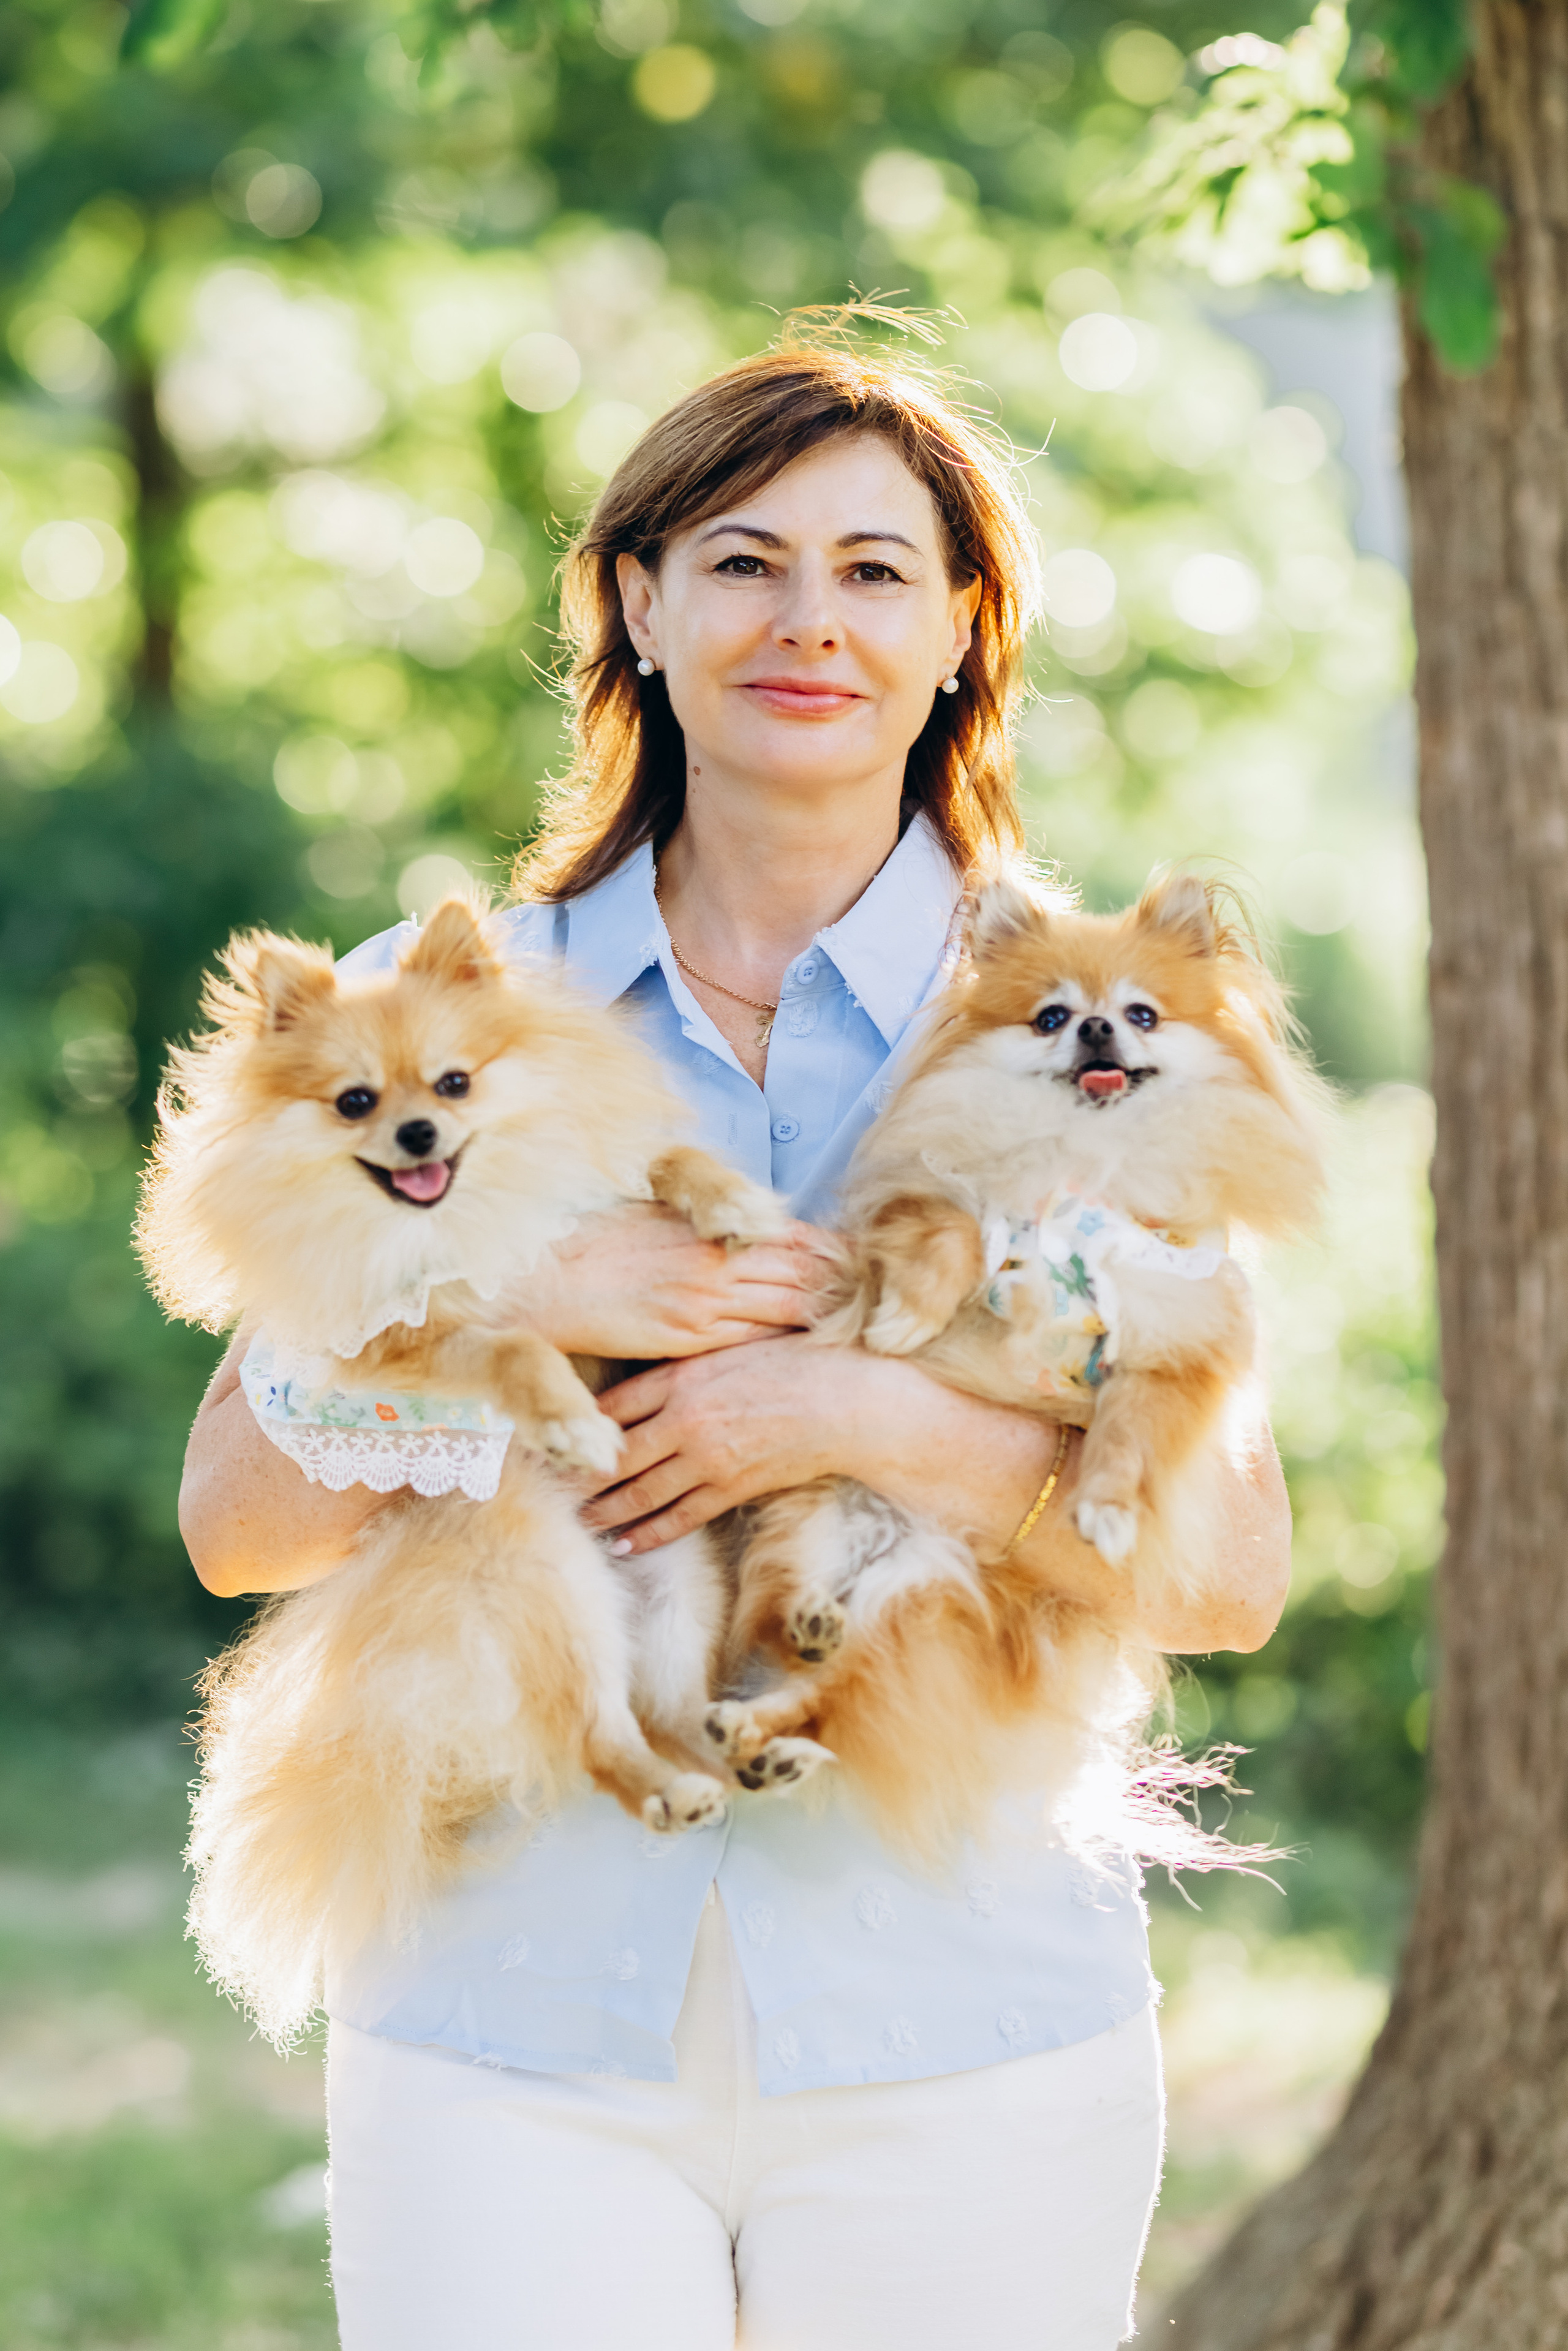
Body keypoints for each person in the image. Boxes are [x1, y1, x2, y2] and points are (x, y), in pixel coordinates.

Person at [180, 325, 1292, 2350]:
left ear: (961, 631)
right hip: (508, 2026)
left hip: (963, 2026)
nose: (809, 622)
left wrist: (855, 1411)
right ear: (639, 603)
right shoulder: (434, 1017)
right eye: (743, 561)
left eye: (874, 570)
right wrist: (525, 1294)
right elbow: (238, 1525)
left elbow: (1225, 1576)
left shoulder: (1096, 1018)